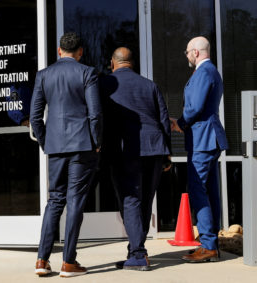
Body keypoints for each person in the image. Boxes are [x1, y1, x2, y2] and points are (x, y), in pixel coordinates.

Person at [30, 32, 102, 277]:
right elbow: (95, 114)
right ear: (80, 52)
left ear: (59, 51)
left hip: (56, 147)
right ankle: (69, 262)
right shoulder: (87, 72)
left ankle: (41, 259)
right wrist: (97, 141)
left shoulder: (44, 75)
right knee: (75, 202)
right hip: (83, 146)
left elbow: (35, 117)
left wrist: (45, 141)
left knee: (55, 201)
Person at [99, 47, 171, 271]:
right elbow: (163, 118)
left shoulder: (105, 85)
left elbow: (98, 117)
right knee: (145, 200)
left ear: (113, 63)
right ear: (132, 63)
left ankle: (138, 254)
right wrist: (167, 152)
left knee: (130, 201)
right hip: (154, 148)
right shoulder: (150, 85)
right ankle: (135, 250)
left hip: (125, 150)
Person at [170, 36, 228, 263]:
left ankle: (208, 245)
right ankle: (210, 244)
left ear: (195, 52)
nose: (186, 56)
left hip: (204, 140)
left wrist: (180, 123)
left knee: (197, 190)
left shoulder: (204, 72)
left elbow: (194, 107)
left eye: (186, 52)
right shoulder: (210, 71)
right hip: (207, 138)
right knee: (210, 192)